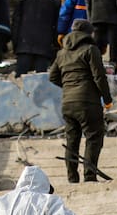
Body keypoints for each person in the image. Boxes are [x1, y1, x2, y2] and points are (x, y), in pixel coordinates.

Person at [48, 20, 113, 183]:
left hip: (67, 103)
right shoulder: (90, 49)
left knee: (72, 140)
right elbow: (99, 76)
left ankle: (72, 178)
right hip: (87, 102)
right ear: (88, 34)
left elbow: (52, 77)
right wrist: (107, 99)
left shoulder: (61, 53)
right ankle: (89, 176)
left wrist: (68, 86)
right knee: (93, 137)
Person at [16, 0, 60, 75]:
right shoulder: (54, 1)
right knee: (41, 78)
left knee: (20, 77)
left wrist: (16, 44)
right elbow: (56, 26)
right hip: (44, 47)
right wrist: (55, 45)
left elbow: (16, 22)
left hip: (24, 45)